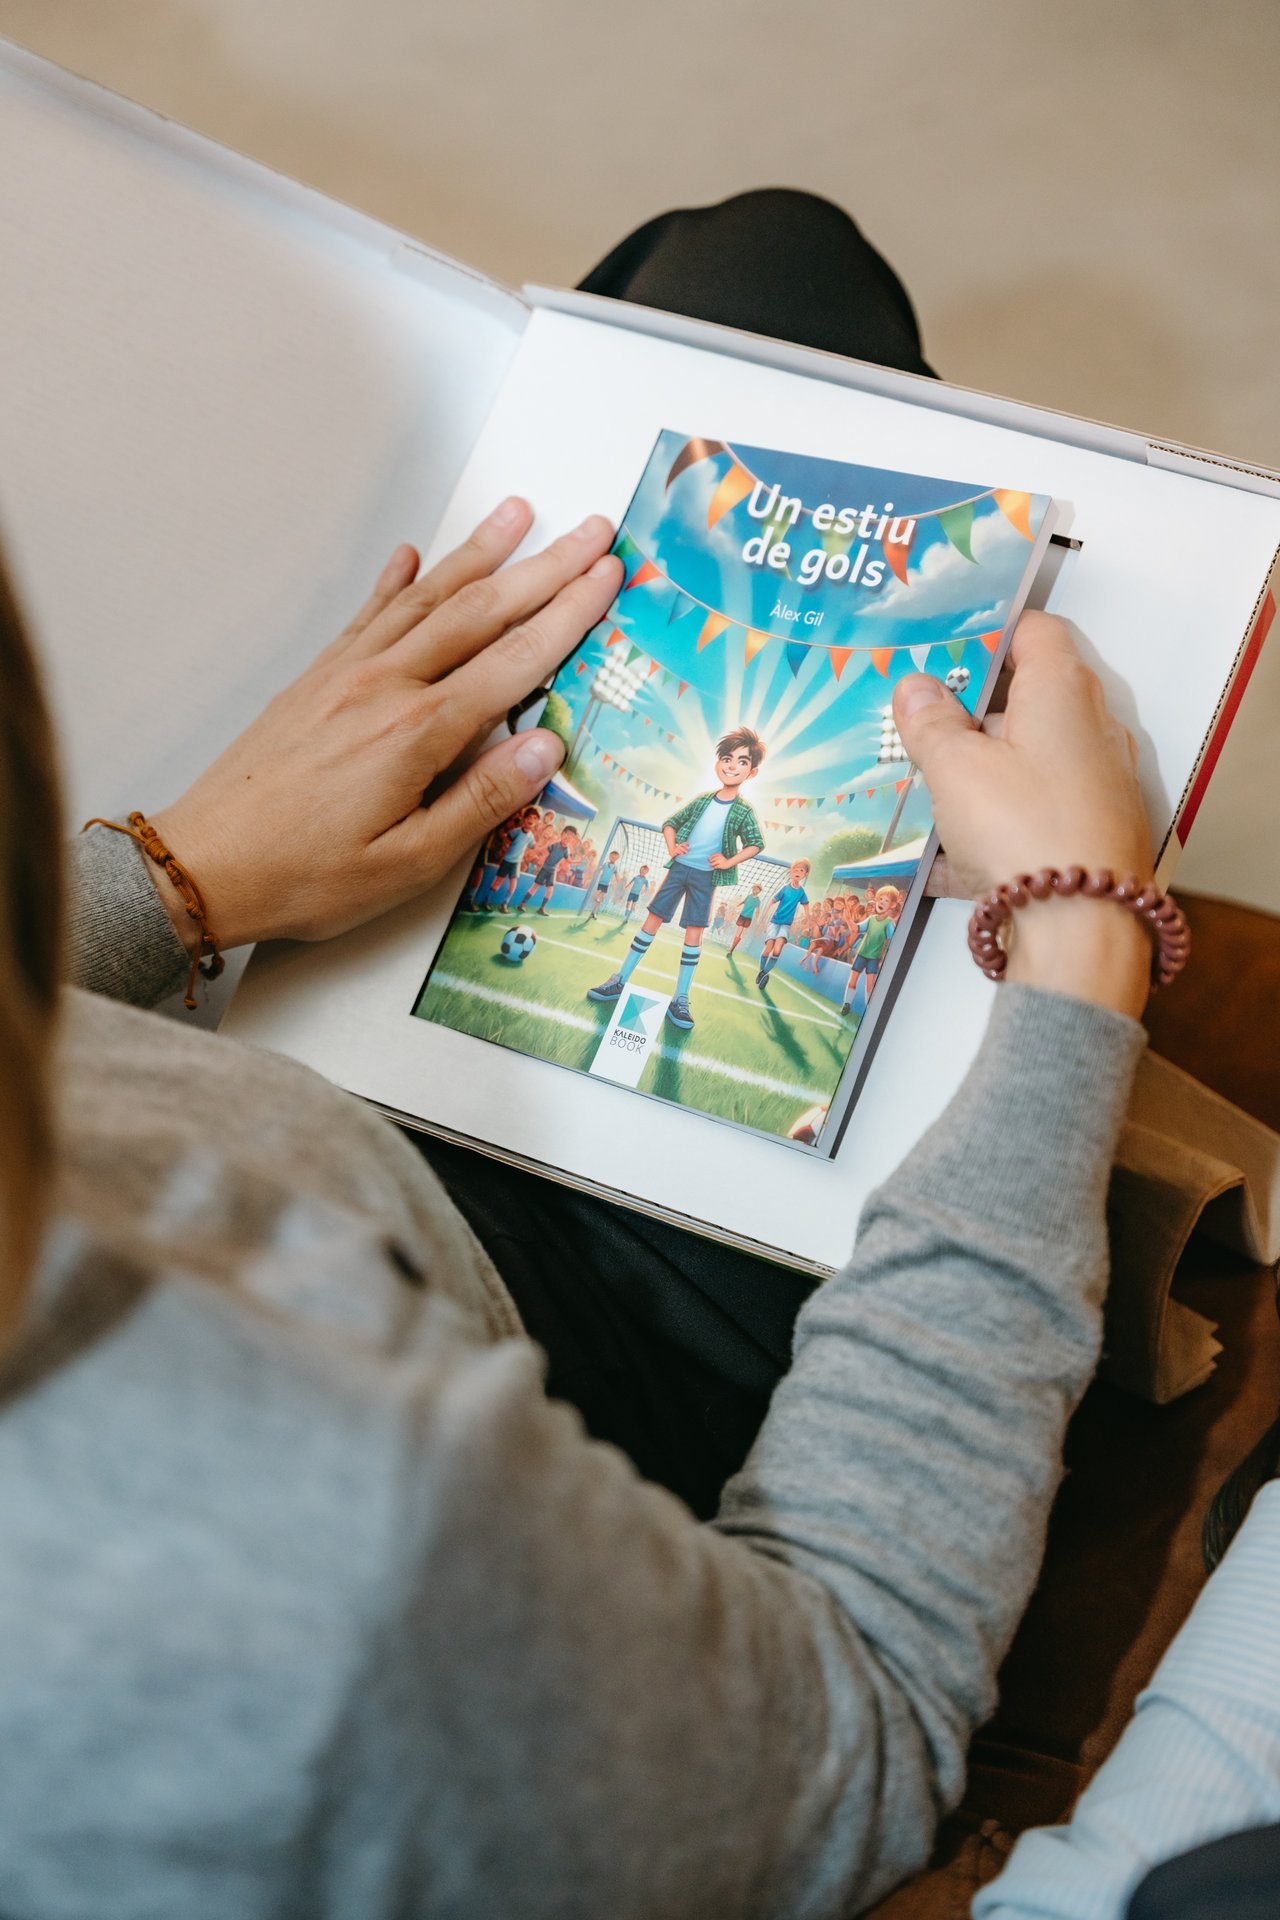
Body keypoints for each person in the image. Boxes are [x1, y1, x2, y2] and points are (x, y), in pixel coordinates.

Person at [0, 190, 1164, 1919]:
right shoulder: (314, 1558)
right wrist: (1080, 942)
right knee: (767, 300)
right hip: (560, 1376)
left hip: (307, 1143)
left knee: (736, 285)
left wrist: (175, 879)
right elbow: (862, 1722)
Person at [587, 727, 766, 1031]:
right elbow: (670, 823)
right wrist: (673, 848)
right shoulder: (702, 800)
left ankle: (680, 999)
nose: (732, 766)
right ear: (718, 762)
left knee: (694, 933)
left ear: (752, 771)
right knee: (651, 922)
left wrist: (728, 860)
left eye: (742, 762)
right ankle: (618, 980)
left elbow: (755, 843)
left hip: (706, 877)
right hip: (679, 869)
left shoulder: (744, 811)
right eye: (727, 758)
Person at [756, 857, 812, 990]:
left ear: (805, 874)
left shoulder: (801, 892)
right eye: (795, 869)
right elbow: (771, 901)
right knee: (768, 949)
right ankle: (761, 971)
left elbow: (806, 906)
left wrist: (807, 920)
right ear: (791, 872)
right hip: (774, 922)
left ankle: (764, 973)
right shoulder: (784, 888)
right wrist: (763, 918)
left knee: (777, 950)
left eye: (801, 870)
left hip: (786, 925)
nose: (798, 872)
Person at [483, 802, 539, 912]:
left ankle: (504, 904)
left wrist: (539, 846)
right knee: (498, 881)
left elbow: (533, 846)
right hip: (507, 860)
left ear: (536, 822)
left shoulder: (531, 836)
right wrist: (505, 848)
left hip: (516, 863)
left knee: (513, 884)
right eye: (529, 817)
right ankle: (487, 901)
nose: (531, 820)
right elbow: (507, 839)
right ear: (524, 818)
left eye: (534, 818)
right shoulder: (516, 831)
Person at [515, 822, 579, 915]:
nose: (568, 837)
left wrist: (577, 861)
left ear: (572, 839)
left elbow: (568, 860)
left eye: (571, 836)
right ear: (562, 834)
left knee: (550, 890)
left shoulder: (567, 850)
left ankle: (541, 908)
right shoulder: (554, 844)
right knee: (535, 886)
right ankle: (522, 904)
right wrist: (540, 861)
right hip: (545, 868)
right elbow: (545, 853)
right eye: (567, 834)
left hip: (553, 871)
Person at [727, 880, 762, 954]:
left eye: (756, 889)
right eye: (754, 888)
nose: (754, 890)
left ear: (759, 891)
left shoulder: (758, 901)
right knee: (738, 932)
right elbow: (743, 902)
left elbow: (758, 910)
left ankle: (733, 947)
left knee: (742, 934)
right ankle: (732, 948)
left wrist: (757, 919)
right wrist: (736, 906)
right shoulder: (748, 896)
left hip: (748, 918)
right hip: (742, 916)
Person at [586, 845, 620, 918]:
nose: (613, 859)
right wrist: (596, 871)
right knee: (596, 896)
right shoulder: (605, 864)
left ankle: (594, 912)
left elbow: (617, 875)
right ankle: (595, 902)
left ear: (617, 859)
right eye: (612, 857)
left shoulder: (615, 867)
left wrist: (618, 881)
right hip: (601, 883)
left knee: (601, 898)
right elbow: (599, 869)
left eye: (615, 858)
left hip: (606, 885)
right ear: (609, 857)